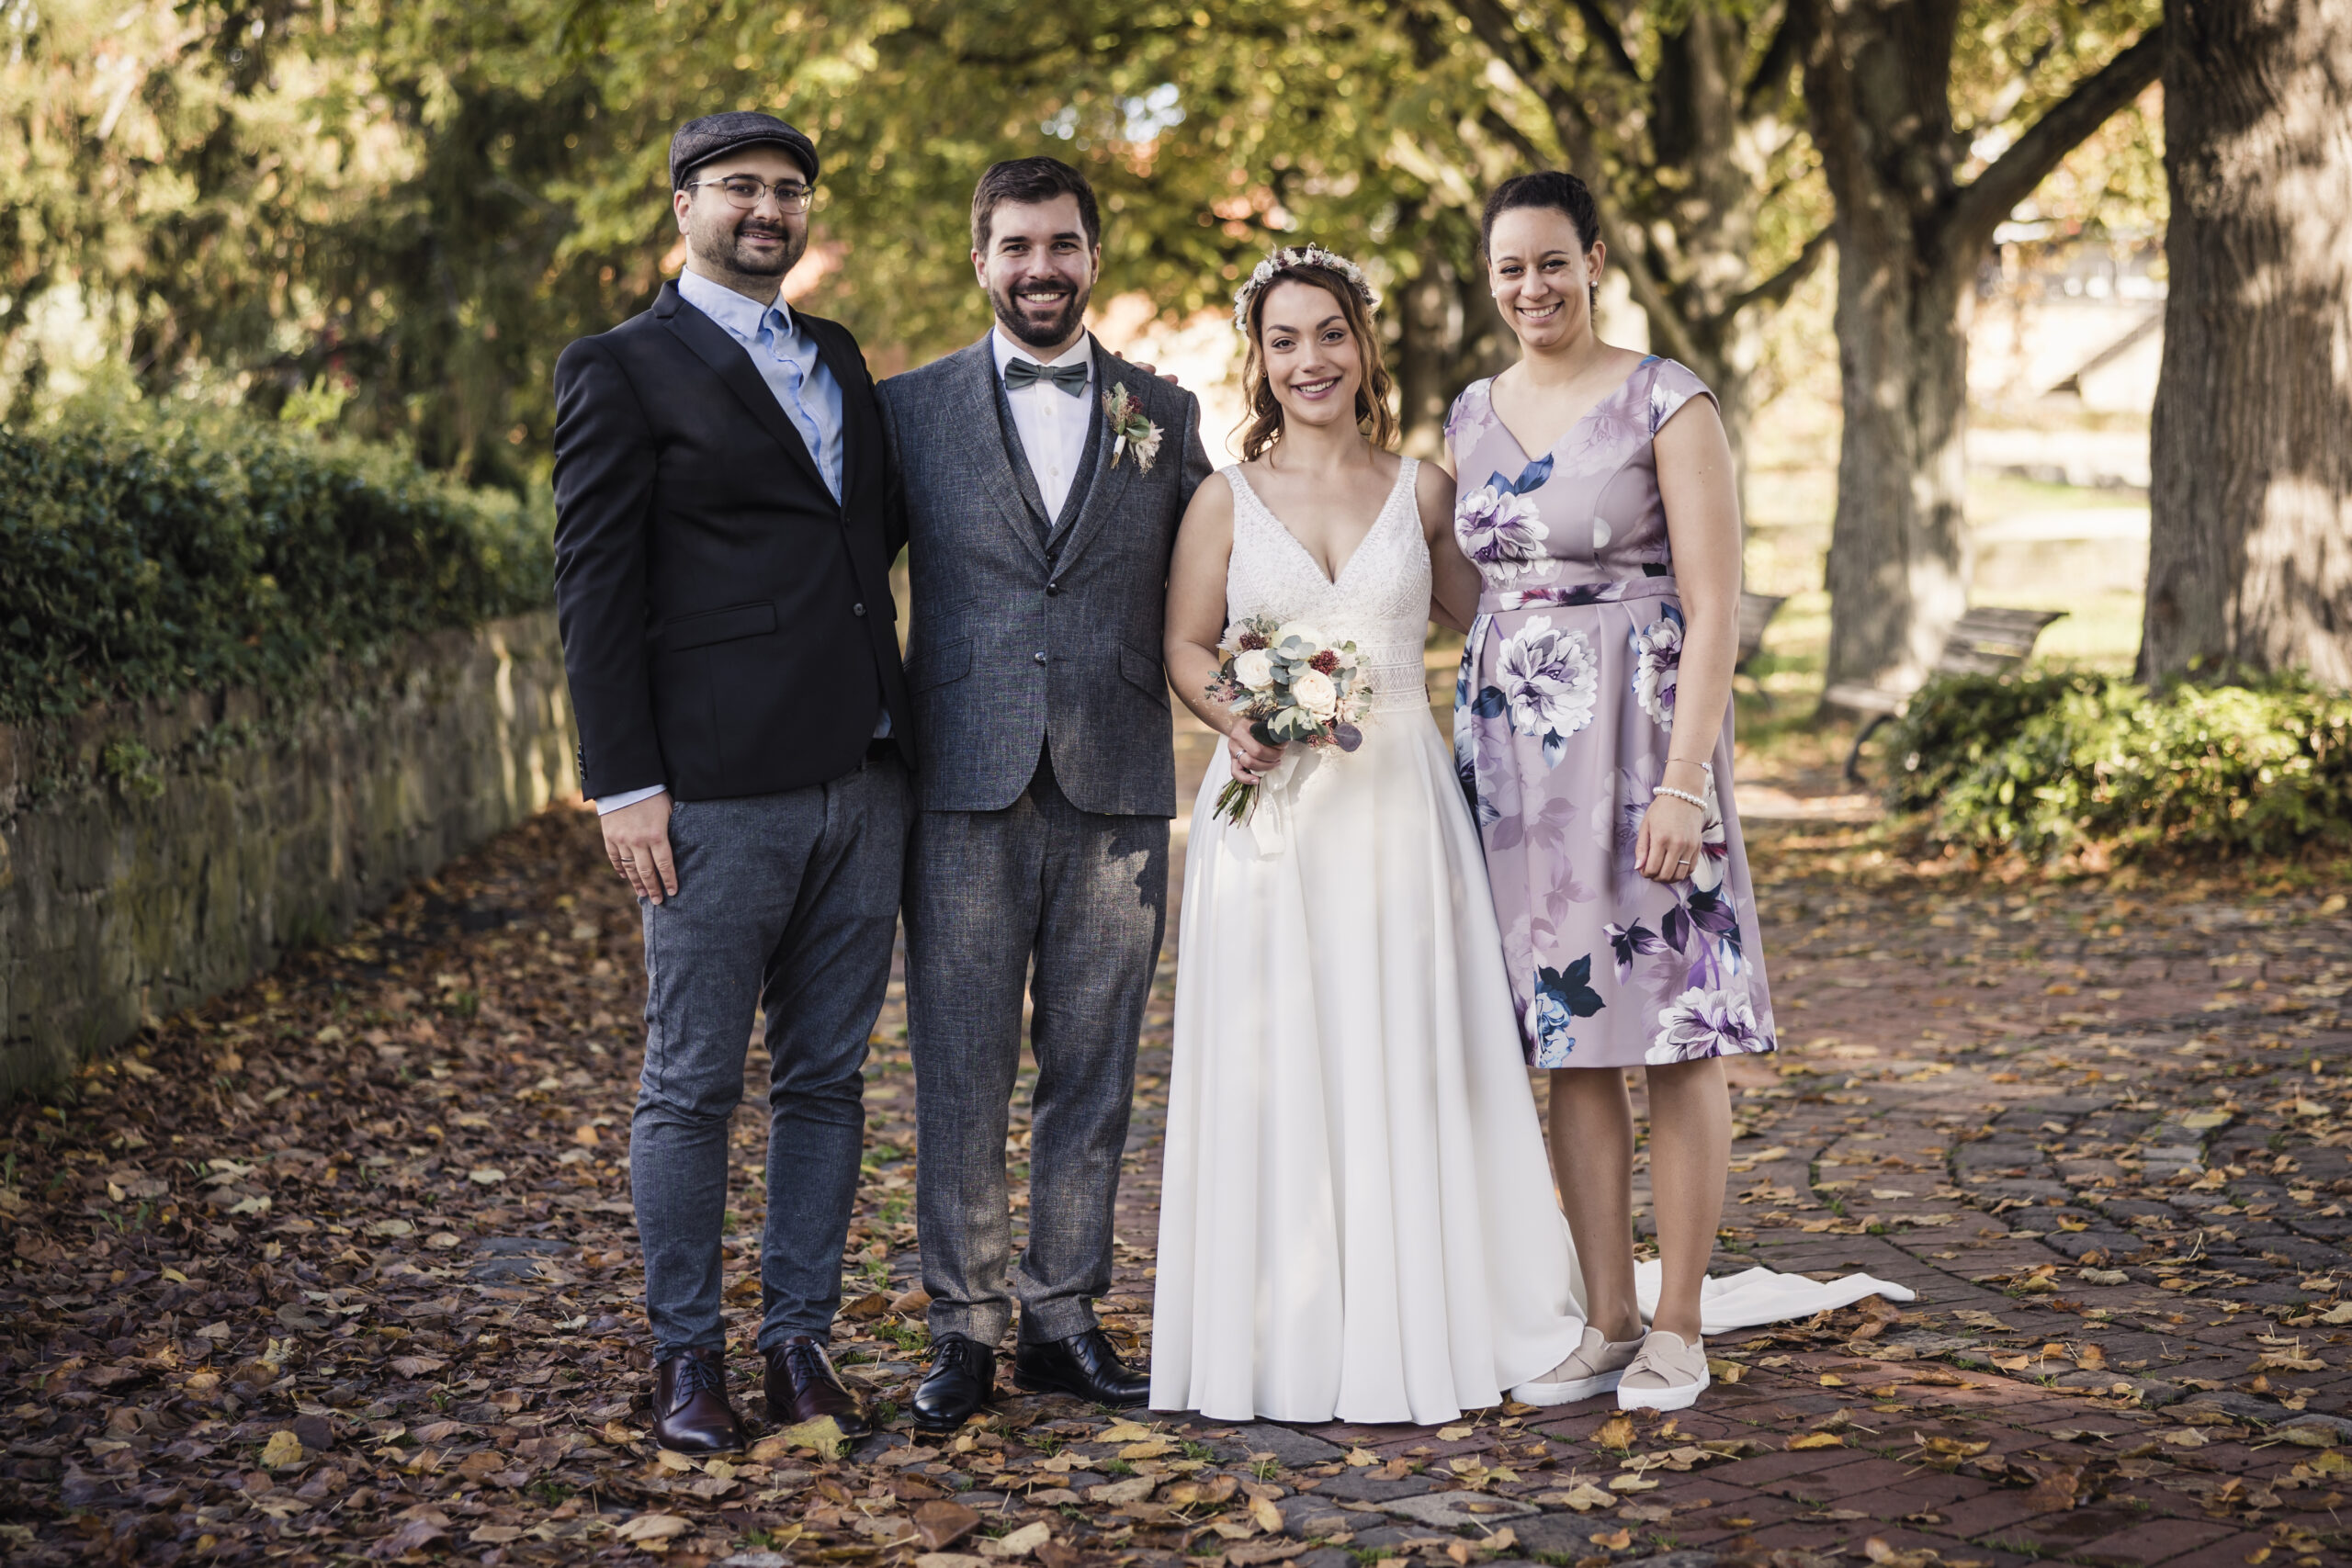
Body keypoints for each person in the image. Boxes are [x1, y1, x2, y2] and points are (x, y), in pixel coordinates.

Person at [1148, 245, 1596, 1424]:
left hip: (1402, 808)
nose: (1310, 360)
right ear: (1259, 361)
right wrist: (1234, 715)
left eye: (1330, 334)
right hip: (1272, 818)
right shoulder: (1223, 499)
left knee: (1409, 1047)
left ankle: (1435, 1305)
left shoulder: (1426, 491)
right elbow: (1186, 645)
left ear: (1363, 346)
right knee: (1284, 1051)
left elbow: (1498, 616)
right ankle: (1288, 1329)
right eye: (1284, 340)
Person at [549, 111, 912, 1451]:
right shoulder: (620, 366)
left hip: (865, 775)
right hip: (710, 789)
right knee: (691, 1081)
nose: (768, 208)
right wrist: (622, 783)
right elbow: (594, 587)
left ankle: (797, 1345)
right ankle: (686, 1356)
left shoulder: (837, 354)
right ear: (685, 205)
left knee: (826, 1079)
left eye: (790, 190)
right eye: (740, 187)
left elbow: (864, 545)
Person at [876, 157, 1215, 1431]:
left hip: (1117, 783)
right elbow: (842, 585)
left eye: (1062, 244)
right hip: (961, 783)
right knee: (959, 1069)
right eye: (1016, 246)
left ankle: (1062, 1318)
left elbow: (1222, 575)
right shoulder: (909, 412)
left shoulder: (1163, 414)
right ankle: (962, 1328)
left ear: (1092, 256)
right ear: (981, 259)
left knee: (1094, 1069)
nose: (1040, 268)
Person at [1448, 170, 1776, 1410]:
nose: (1532, 287)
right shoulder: (1469, 413)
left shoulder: (1665, 399)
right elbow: (1463, 589)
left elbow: (1715, 604)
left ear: (1594, 260)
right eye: (1510, 268)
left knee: (1674, 1031)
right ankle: (1606, 1317)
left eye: (1552, 262)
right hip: (1515, 760)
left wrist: (1685, 782)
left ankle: (1679, 1323)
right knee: (1570, 1039)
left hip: (1644, 741)